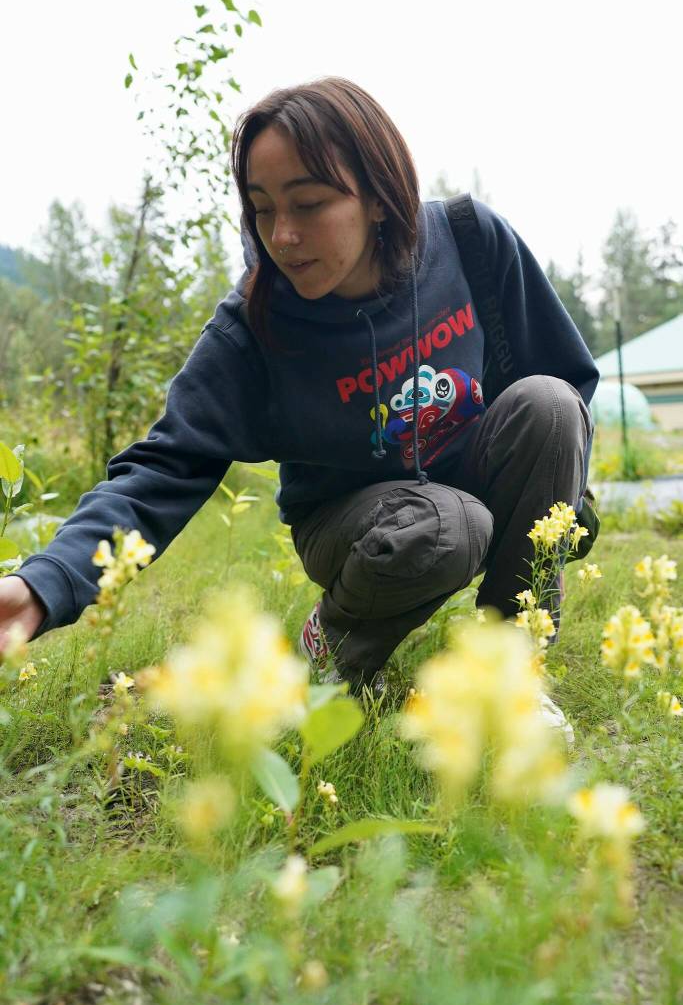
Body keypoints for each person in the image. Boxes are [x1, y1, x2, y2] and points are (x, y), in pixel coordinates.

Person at [0, 77, 598, 739]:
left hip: (474, 476)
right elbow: (162, 467)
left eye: (309, 203)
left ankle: (508, 678)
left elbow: (565, 384)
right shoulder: (255, 326)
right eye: (261, 209)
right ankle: (330, 656)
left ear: (378, 196)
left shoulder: (469, 242)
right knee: (442, 524)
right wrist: (45, 583)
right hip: (354, 523)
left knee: (547, 402)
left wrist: (560, 501)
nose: (281, 236)